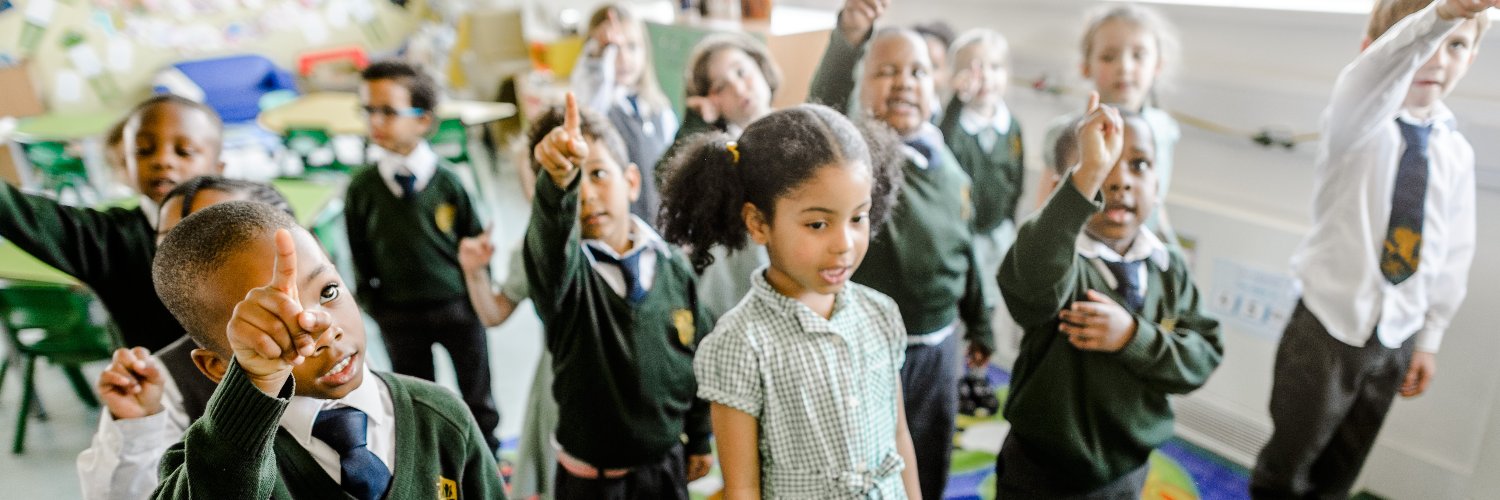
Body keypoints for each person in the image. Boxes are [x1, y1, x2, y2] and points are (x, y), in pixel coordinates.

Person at [1251, 1, 1491, 497]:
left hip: (1398, 336)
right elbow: (1379, 73)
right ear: (1373, 52)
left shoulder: (1456, 153)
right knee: (1289, 462)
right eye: (1424, 45)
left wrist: (1430, 337)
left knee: (1343, 467)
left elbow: (1453, 251)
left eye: (1457, 46)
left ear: (1471, 59)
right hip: (1327, 330)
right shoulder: (1356, 126)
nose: (1437, 59)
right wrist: (1439, 18)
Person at [148, 201, 505, 499]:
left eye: (328, 291)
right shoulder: (210, 466)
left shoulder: (440, 417)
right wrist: (255, 383)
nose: (323, 331)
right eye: (277, 325)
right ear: (217, 366)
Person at [658, 103, 919, 498]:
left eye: (858, 218)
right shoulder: (741, 344)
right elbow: (742, 491)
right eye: (818, 224)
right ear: (759, 223)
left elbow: (898, 438)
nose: (844, 245)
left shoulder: (880, 314)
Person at [808, 1, 996, 496]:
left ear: (935, 88)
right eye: (885, 71)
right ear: (859, 87)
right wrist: (846, 42)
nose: (903, 82)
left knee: (929, 455)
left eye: (918, 71)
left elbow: (964, 248)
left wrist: (979, 320)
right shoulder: (853, 154)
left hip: (937, 344)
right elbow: (822, 105)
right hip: (865, 348)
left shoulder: (949, 164)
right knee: (859, 460)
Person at [996, 93, 1223, 498]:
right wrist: (1086, 177)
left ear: (1158, 181)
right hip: (1040, 471)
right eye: (1104, 168)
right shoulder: (1058, 257)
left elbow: (1202, 355)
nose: (1119, 181)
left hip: (1126, 470)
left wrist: (1133, 337)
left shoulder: (1168, 267)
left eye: (1139, 164)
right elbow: (1027, 287)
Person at [526, 93, 713, 499]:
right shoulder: (563, 278)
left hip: (666, 468)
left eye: (598, 174)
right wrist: (557, 183)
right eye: (575, 182)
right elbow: (549, 240)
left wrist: (699, 436)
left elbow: (696, 354)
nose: (587, 196)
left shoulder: (673, 267)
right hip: (592, 484)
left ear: (631, 181)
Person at [77, 176, 299, 500]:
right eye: (170, 242)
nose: (191, 256)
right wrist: (137, 428)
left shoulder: (340, 339)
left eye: (221, 234)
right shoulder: (166, 377)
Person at [343, 59, 499, 452]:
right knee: (416, 402)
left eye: (388, 111)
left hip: (458, 309)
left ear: (423, 120)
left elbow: (475, 243)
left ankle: (489, 460)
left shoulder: (449, 182)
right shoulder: (362, 188)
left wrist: (478, 296)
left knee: (477, 396)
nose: (375, 121)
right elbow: (358, 253)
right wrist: (376, 307)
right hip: (400, 316)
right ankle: (433, 466)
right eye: (368, 110)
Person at [0, 94, 224, 352]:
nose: (163, 160)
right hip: (154, 388)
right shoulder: (105, 238)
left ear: (218, 167)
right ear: (126, 166)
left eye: (184, 151)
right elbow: (12, 207)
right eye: (143, 151)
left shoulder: (247, 229)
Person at [663, 32, 784, 319]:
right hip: (733, 300)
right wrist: (695, 122)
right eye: (721, 86)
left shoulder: (798, 128)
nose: (739, 87)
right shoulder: (719, 152)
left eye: (742, 71)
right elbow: (670, 180)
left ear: (761, 67)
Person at [1040, 3, 1183, 246]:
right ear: (1085, 67)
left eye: (1138, 55)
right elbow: (1045, 210)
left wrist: (1171, 250)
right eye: (1108, 57)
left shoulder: (1163, 129)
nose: (1124, 67)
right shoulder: (1064, 133)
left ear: (1158, 66)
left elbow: (1156, 202)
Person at [938, 28, 1027, 361]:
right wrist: (955, 104)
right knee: (965, 299)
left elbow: (1015, 179)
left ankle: (979, 364)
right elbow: (944, 152)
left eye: (994, 67)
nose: (984, 76)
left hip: (997, 232)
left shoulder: (1011, 126)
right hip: (963, 233)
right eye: (973, 68)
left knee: (992, 298)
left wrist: (1009, 222)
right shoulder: (955, 123)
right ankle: (958, 360)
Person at [571, 3, 678, 221]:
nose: (624, 58)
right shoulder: (599, 106)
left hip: (662, 226)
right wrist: (597, 55)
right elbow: (588, 92)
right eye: (613, 49)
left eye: (632, 46)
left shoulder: (658, 108)